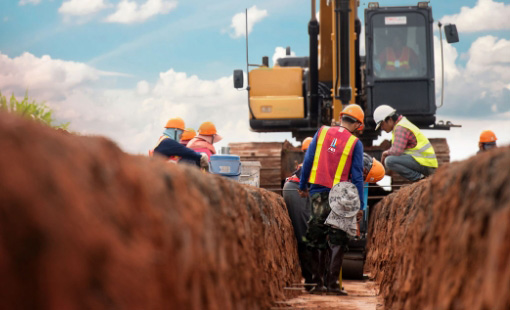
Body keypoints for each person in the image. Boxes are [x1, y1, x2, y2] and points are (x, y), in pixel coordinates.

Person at [298, 104, 365, 295]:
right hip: (342, 195)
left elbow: (308, 161)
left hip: (318, 192)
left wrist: (303, 186)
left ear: (341, 118)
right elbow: (358, 176)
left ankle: (317, 284)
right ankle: (333, 284)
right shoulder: (355, 143)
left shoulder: (322, 132)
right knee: (338, 239)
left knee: (316, 237)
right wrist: (358, 204)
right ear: (357, 125)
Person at [282, 137, 314, 290]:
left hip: (298, 189)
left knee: (308, 232)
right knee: (304, 234)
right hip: (295, 190)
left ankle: (313, 279)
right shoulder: (313, 161)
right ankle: (310, 281)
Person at [374, 105, 438, 181]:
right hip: (426, 163)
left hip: (425, 164)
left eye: (382, 124)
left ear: (390, 120)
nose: (382, 128)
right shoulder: (402, 124)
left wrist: (385, 153)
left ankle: (419, 178)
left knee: (389, 161)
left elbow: (397, 151)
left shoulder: (400, 128)